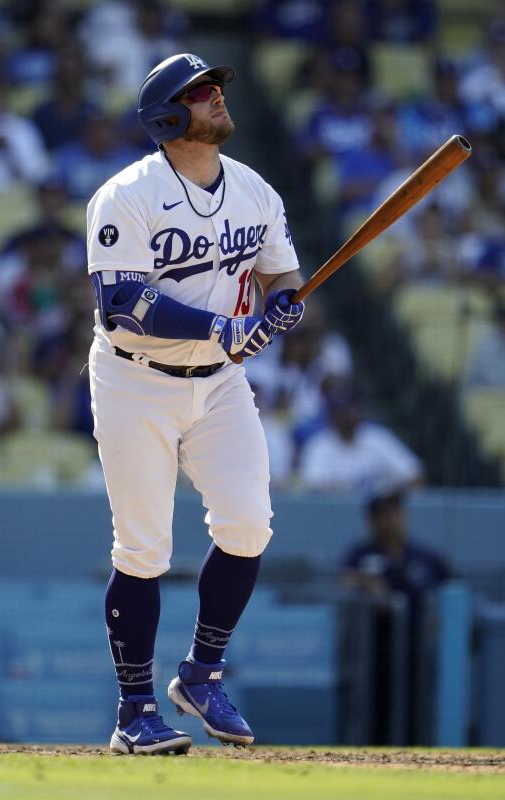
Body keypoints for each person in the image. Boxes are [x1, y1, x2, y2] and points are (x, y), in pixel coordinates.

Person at [87, 54, 307, 754]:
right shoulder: (126, 195)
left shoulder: (253, 190)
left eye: (216, 90)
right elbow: (120, 302)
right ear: (167, 117)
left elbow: (282, 275)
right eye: (202, 93)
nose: (217, 99)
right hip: (134, 379)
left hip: (218, 382)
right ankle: (134, 713)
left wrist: (278, 311)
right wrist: (224, 325)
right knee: (143, 548)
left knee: (248, 525)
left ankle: (202, 675)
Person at [340, 489, 450, 606]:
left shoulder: (425, 555)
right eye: (384, 513)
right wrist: (367, 582)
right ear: (372, 520)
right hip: (376, 622)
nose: (392, 519)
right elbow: (344, 580)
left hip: (419, 621)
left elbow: (451, 586)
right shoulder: (361, 553)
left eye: (396, 510)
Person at [298, 394, 423, 494]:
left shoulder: (378, 438)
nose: (349, 415)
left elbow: (415, 474)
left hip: (376, 513)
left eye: (351, 409)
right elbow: (312, 488)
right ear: (333, 416)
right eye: (342, 411)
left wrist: (388, 492)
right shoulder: (319, 445)